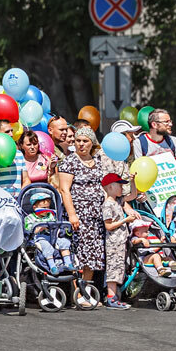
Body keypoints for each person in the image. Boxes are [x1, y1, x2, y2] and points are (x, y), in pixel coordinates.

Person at [57, 126, 105, 307]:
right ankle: (78, 294)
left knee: (93, 255)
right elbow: (64, 190)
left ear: (92, 143)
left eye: (85, 141)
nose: (81, 144)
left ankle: (87, 293)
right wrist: (72, 214)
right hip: (79, 214)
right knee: (79, 254)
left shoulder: (98, 161)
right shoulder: (69, 162)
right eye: (78, 141)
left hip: (96, 215)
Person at [99, 173, 135, 308]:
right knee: (113, 269)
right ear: (110, 187)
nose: (121, 188)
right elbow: (108, 226)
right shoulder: (107, 205)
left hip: (120, 241)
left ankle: (114, 297)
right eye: (119, 185)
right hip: (113, 242)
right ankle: (111, 297)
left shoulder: (118, 201)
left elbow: (133, 195)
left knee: (119, 268)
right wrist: (125, 220)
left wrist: (133, 182)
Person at [134, 109, 176, 185]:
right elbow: (140, 171)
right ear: (154, 124)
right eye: (166, 122)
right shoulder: (139, 143)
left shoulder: (174, 141)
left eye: (170, 121)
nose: (170, 124)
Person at [23, 190, 74, 274]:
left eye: (48, 208)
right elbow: (29, 230)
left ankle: (68, 263)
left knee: (64, 242)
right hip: (39, 238)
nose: (46, 210)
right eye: (43, 208)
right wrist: (39, 228)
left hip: (53, 236)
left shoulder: (50, 216)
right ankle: (52, 266)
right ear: (35, 207)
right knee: (46, 246)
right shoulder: (29, 218)